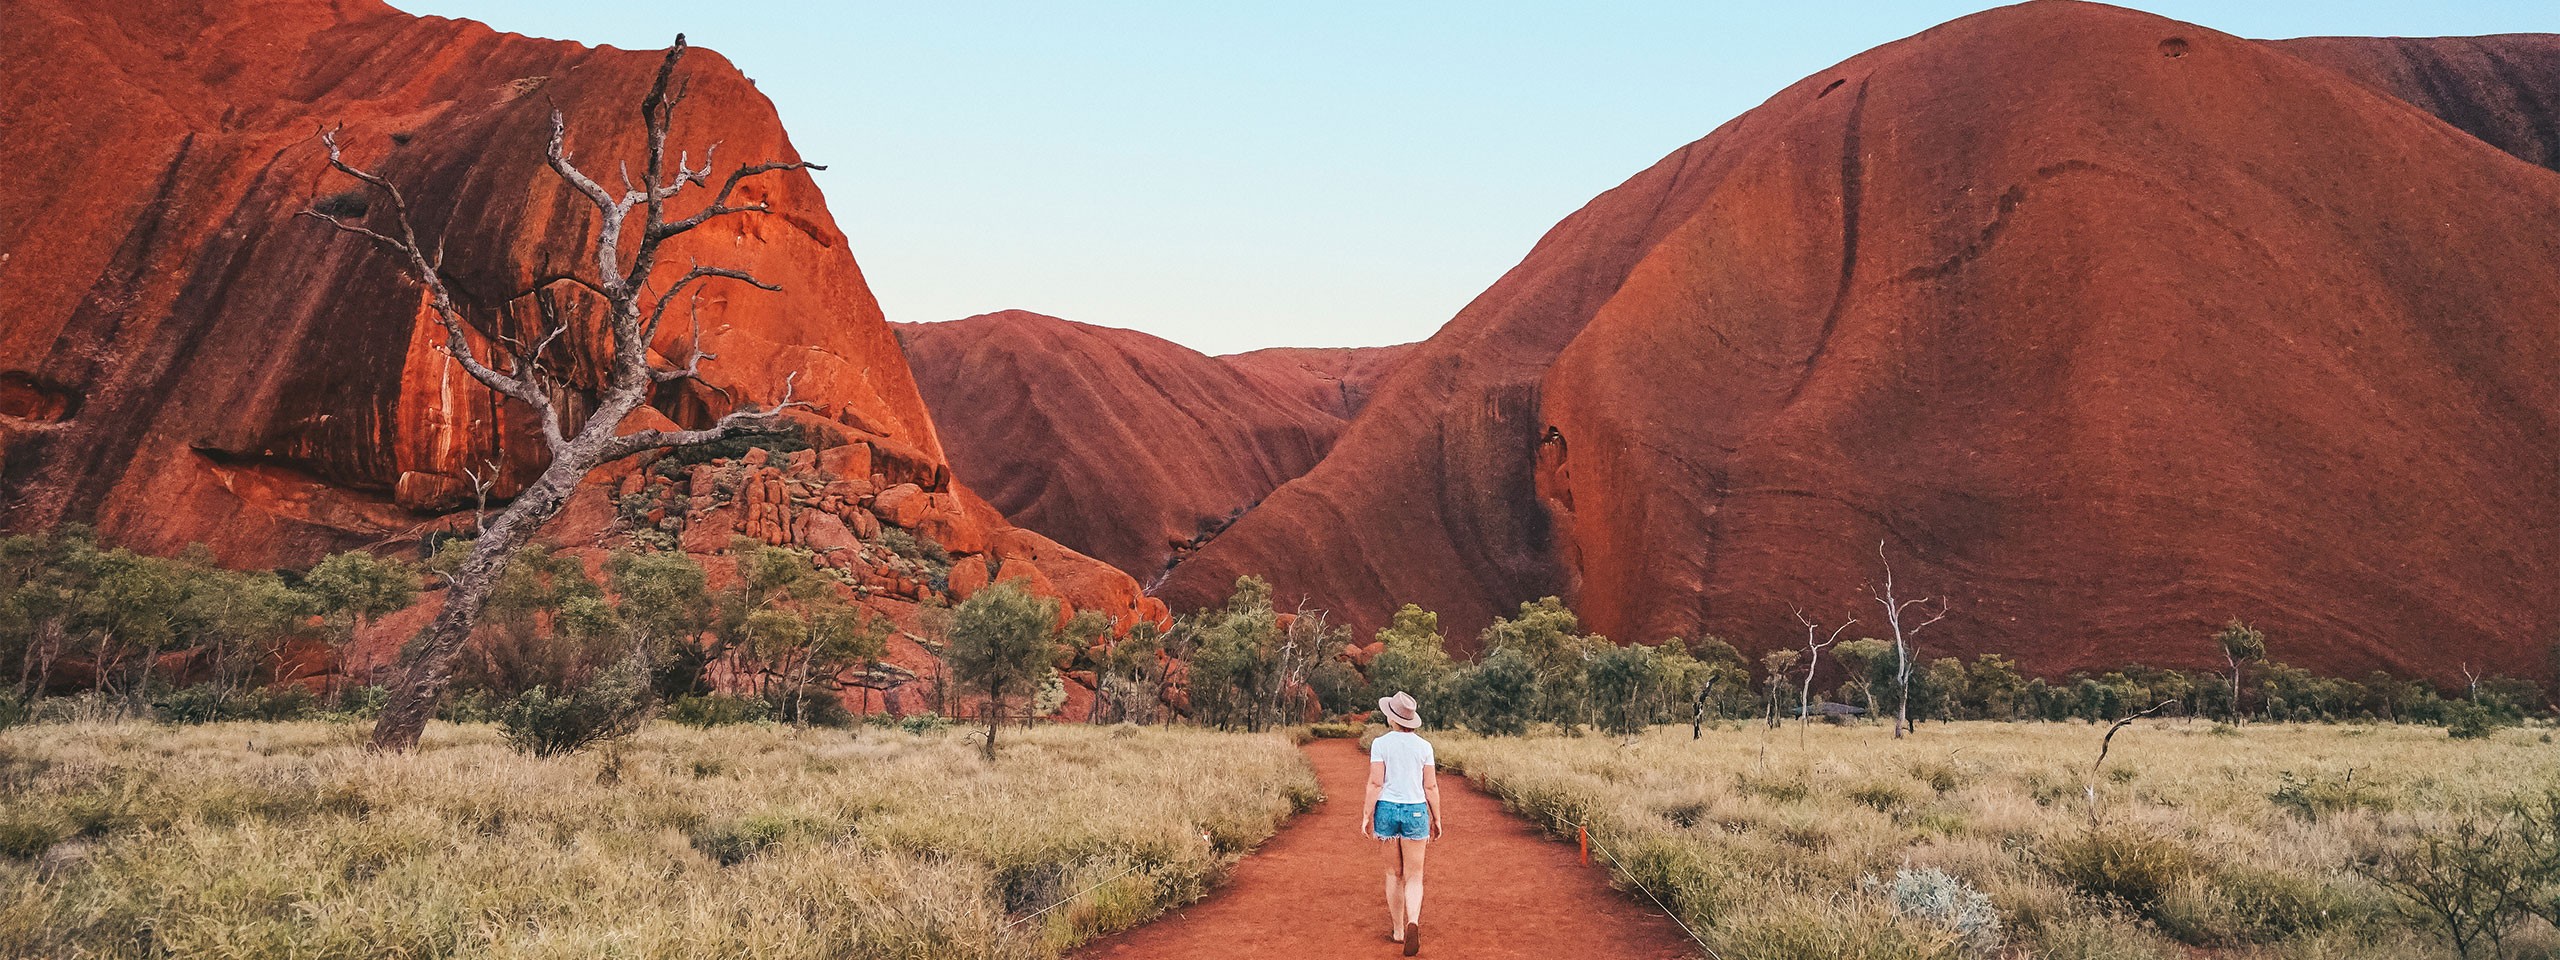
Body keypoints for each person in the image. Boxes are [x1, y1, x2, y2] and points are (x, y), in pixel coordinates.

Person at [1359, 690, 1444, 955]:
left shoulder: (1380, 744)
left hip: (1386, 809)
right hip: (1416, 811)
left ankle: (1397, 930)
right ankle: (1413, 921)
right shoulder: (1424, 747)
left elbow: (1375, 782)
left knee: (1393, 874)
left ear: (1391, 717)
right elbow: (1430, 786)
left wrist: (1366, 814)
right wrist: (1437, 818)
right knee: (1415, 875)